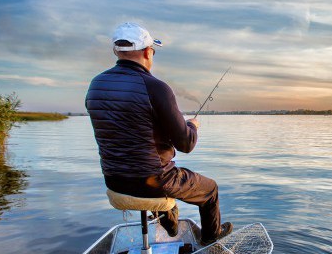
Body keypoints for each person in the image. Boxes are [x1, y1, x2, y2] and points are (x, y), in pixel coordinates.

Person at [85, 22, 232, 245]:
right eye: (153, 51)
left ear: (117, 51)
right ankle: (211, 239)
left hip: (114, 181)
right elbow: (186, 144)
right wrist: (192, 126)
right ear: (147, 51)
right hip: (154, 182)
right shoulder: (155, 87)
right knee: (210, 189)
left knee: (163, 176)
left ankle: (169, 218)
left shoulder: (96, 85)